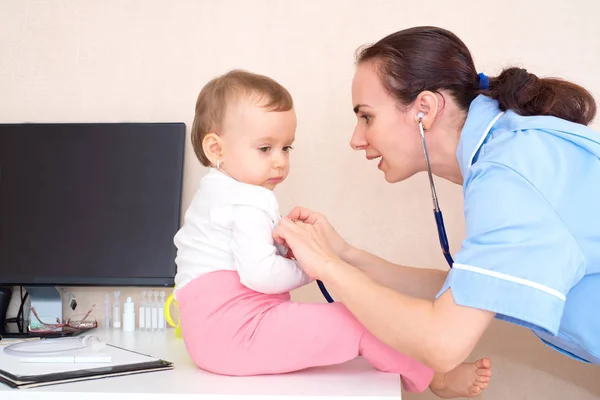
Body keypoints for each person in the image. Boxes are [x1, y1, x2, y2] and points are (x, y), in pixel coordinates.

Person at [274, 25, 600, 371]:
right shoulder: (511, 149)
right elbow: (463, 291)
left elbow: (442, 342)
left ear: (424, 109)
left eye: (366, 116)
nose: (356, 139)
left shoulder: (508, 175)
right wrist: (344, 254)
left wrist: (328, 267)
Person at [172, 69, 492, 398]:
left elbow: (239, 263)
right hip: (237, 332)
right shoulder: (250, 199)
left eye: (287, 148)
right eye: (265, 148)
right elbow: (260, 275)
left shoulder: (214, 193)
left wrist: (291, 250)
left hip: (210, 338)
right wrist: (311, 266)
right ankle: (435, 378)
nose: (280, 161)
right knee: (358, 318)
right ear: (216, 148)